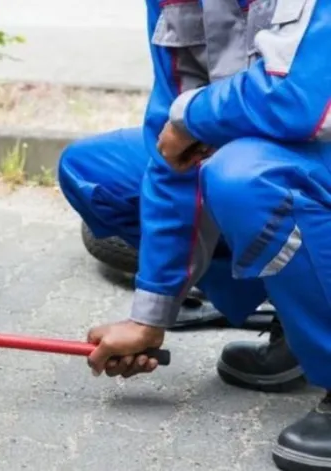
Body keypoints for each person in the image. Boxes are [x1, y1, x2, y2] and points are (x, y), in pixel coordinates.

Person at [57, 0, 331, 469]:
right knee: (96, 174)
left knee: (244, 177)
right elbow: (173, 145)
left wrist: (194, 117)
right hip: (285, 148)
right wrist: (151, 314)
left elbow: (300, 103)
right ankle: (298, 316)